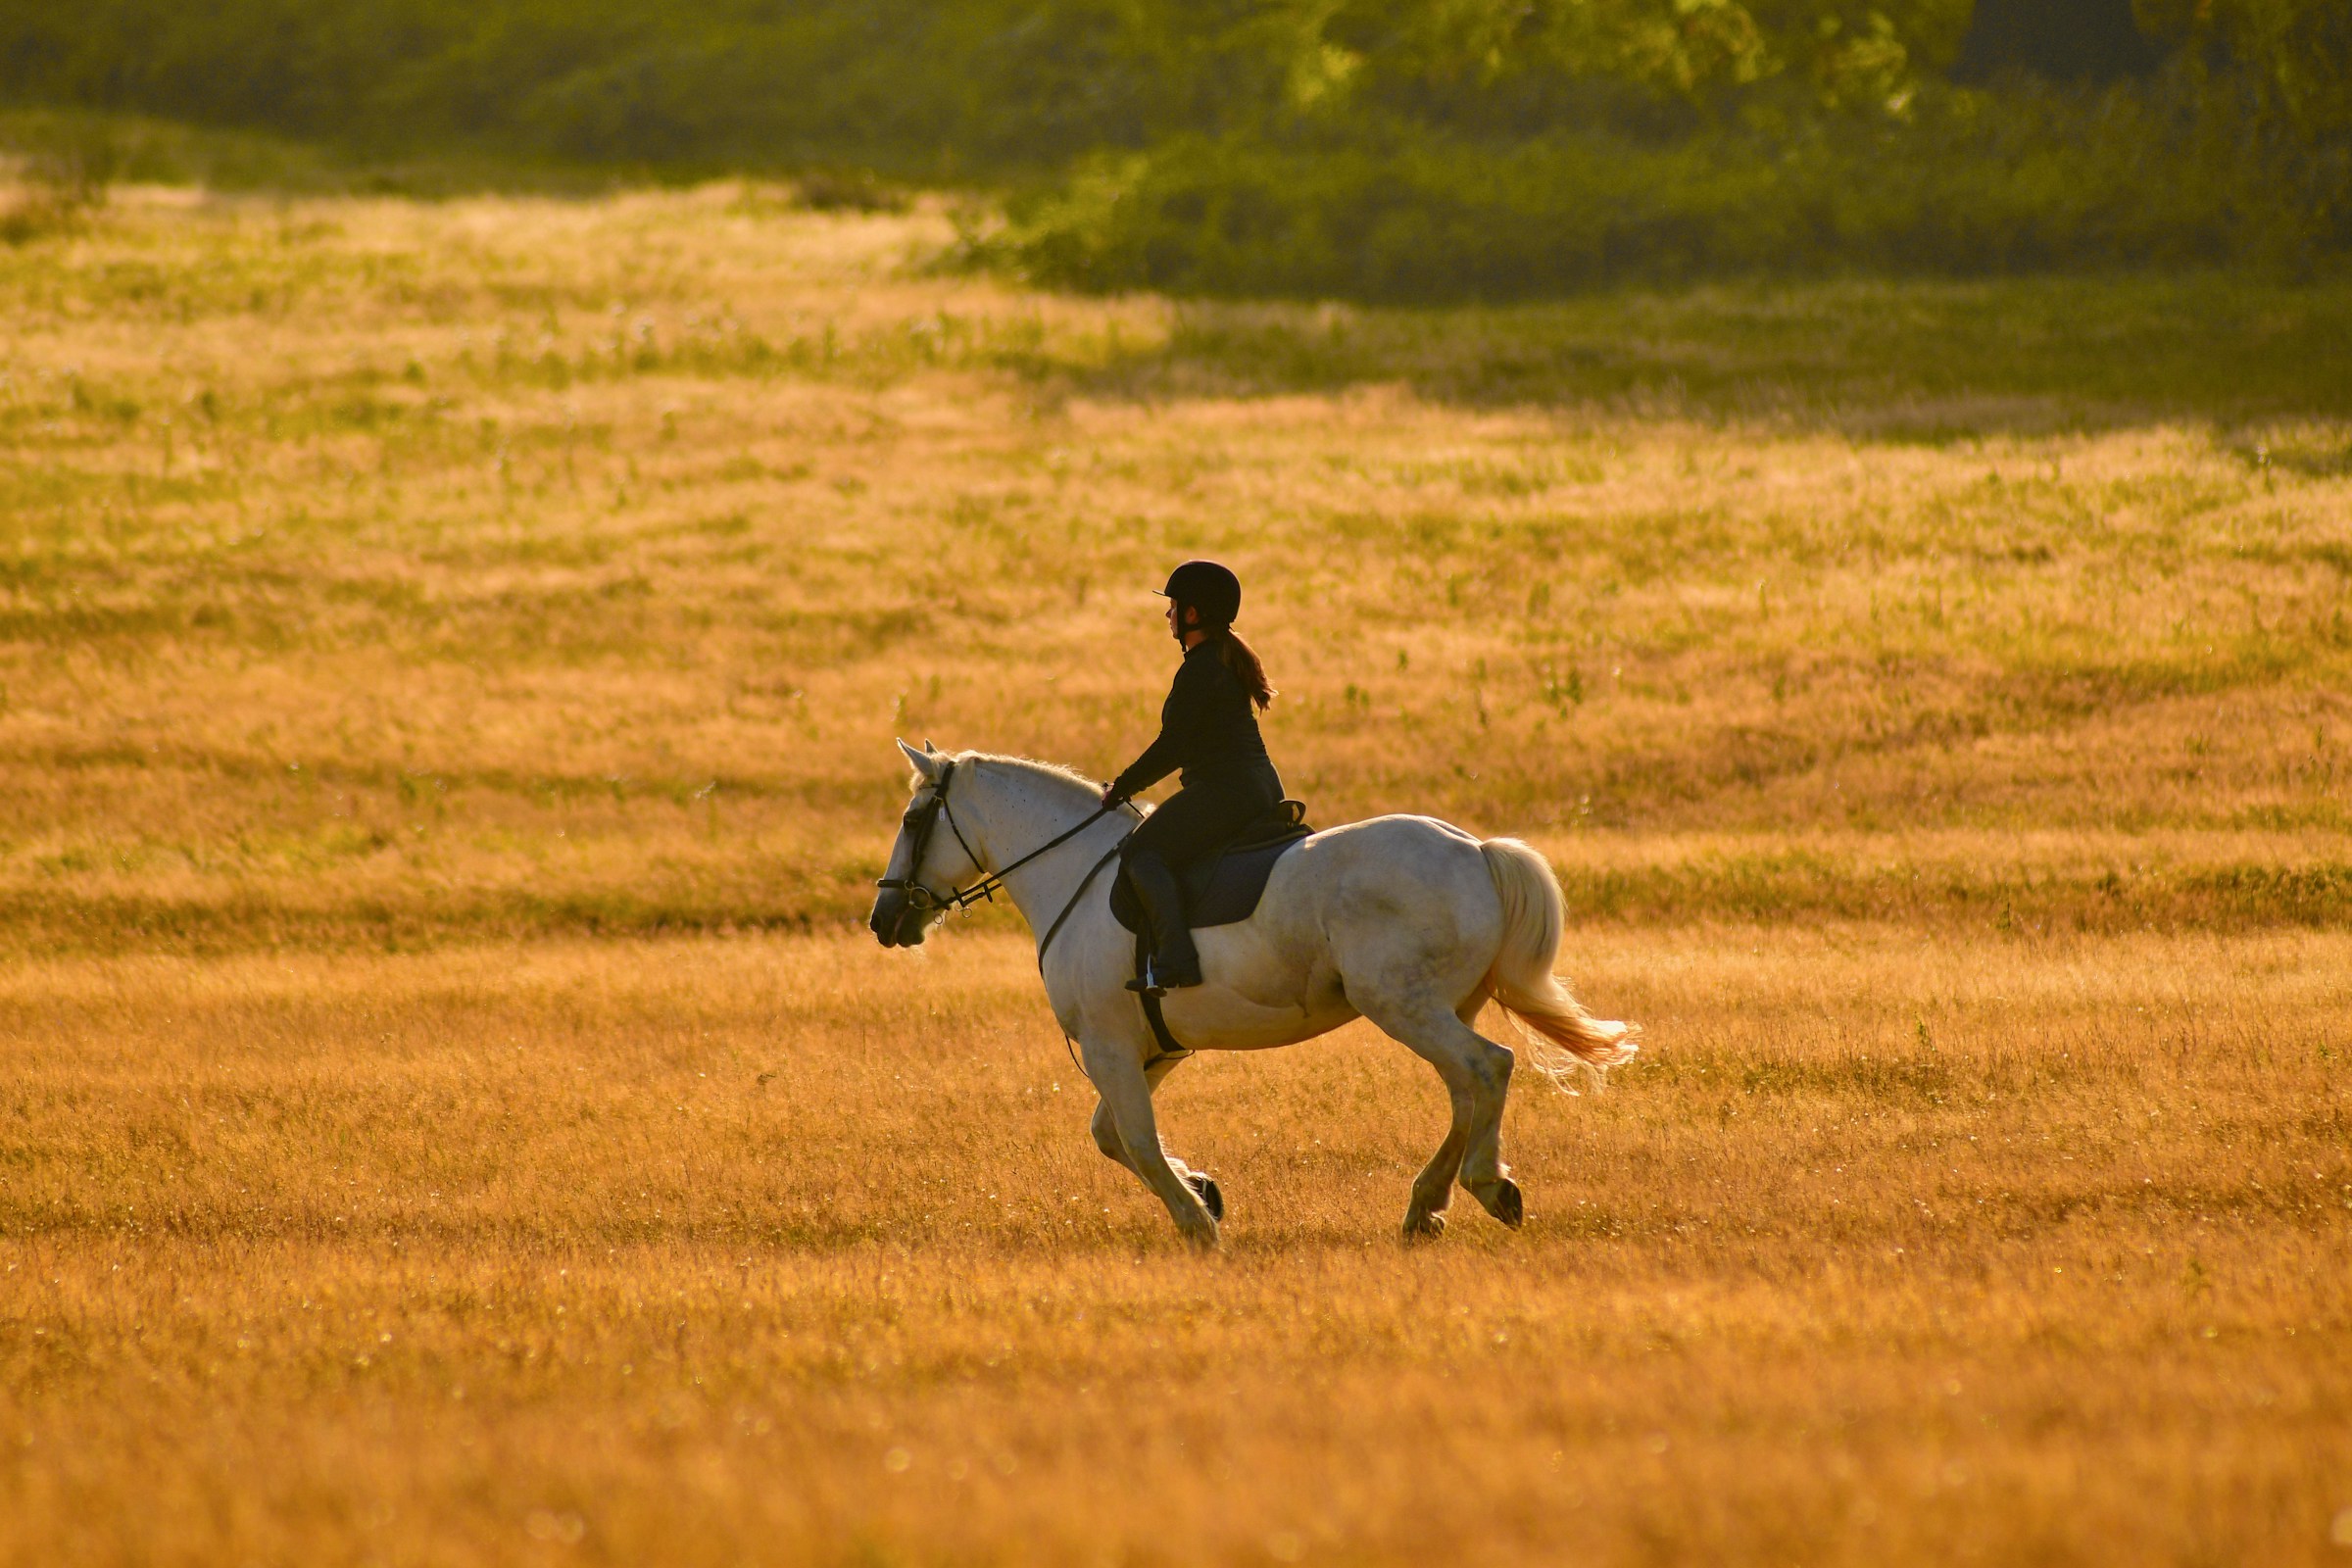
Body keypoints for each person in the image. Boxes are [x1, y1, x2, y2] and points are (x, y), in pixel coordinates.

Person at [1101, 560, 1283, 993]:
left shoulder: (1201, 668)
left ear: (1193, 615)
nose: (1168, 614)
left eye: (1174, 606)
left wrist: (1121, 788)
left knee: (1142, 853)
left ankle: (1177, 961)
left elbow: (1173, 746)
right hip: (1260, 787)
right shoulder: (1222, 658)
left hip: (1226, 793)